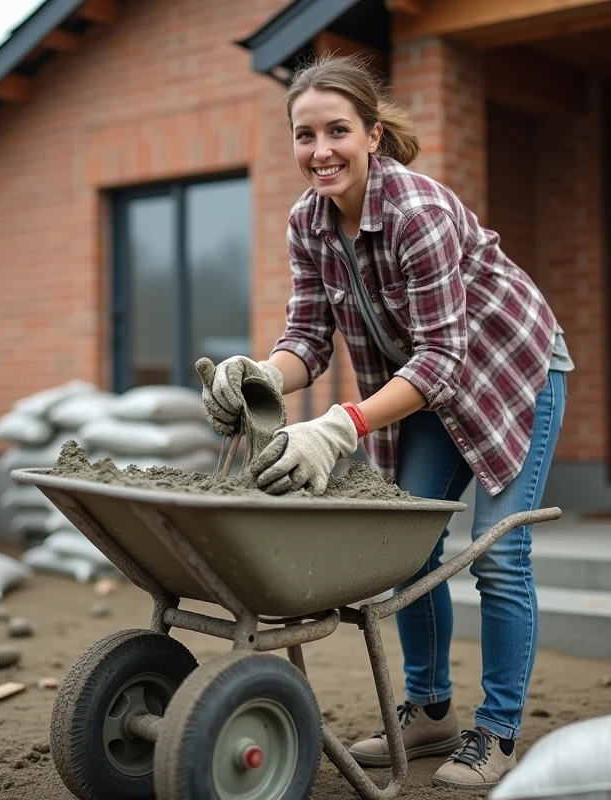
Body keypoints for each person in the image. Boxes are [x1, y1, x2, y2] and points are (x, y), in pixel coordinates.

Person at [198, 54, 572, 791]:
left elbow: (443, 358)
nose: (321, 150)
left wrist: (339, 426)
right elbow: (306, 336)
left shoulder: (418, 213)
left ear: (373, 134)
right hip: (425, 383)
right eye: (305, 136)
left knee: (497, 554)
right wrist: (264, 376)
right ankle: (429, 710)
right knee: (410, 550)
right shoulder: (308, 222)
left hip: (509, 371)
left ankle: (497, 733)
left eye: (338, 130)